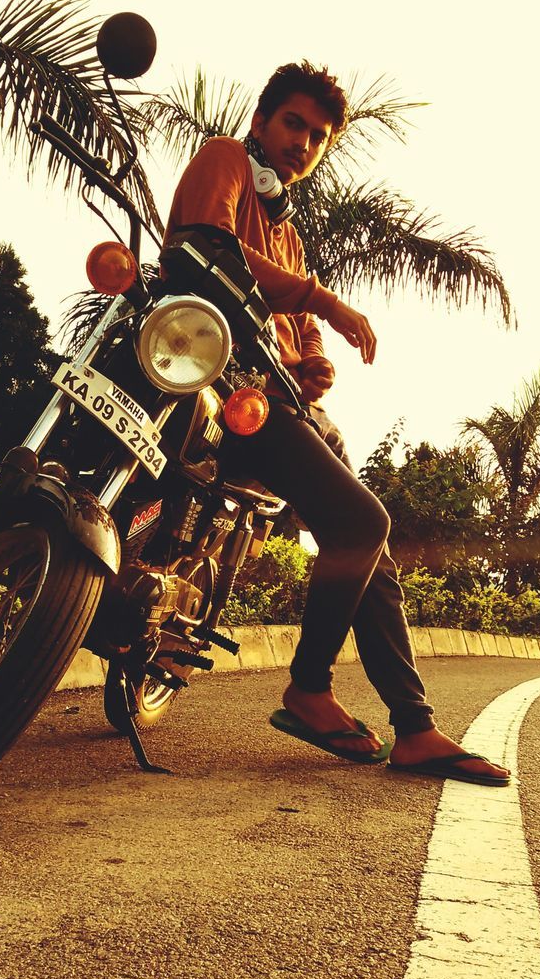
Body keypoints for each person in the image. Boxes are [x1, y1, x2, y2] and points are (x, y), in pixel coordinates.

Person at [163, 62, 509, 786]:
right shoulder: (224, 157)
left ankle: (414, 729)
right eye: (293, 124)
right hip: (235, 389)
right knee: (362, 525)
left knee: (368, 543)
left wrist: (315, 356)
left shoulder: (290, 240)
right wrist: (326, 303)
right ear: (262, 122)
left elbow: (304, 339)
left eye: (318, 136)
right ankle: (310, 687)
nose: (303, 142)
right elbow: (208, 245)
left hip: (294, 406)